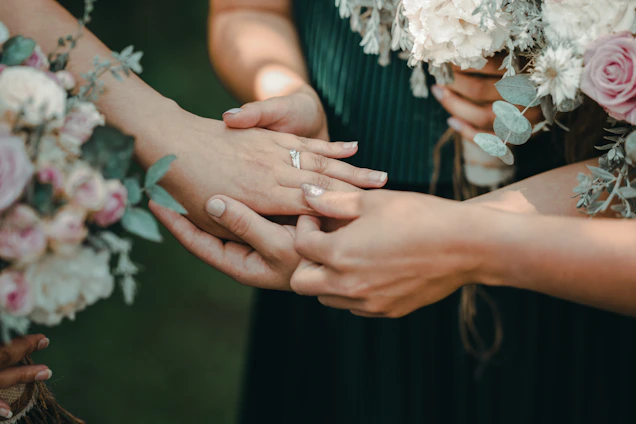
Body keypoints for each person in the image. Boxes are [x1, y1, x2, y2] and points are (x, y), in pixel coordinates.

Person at [151, 1, 636, 423]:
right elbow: (248, 10)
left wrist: (563, 86)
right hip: (351, 241)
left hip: (575, 246)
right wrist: (286, 90)